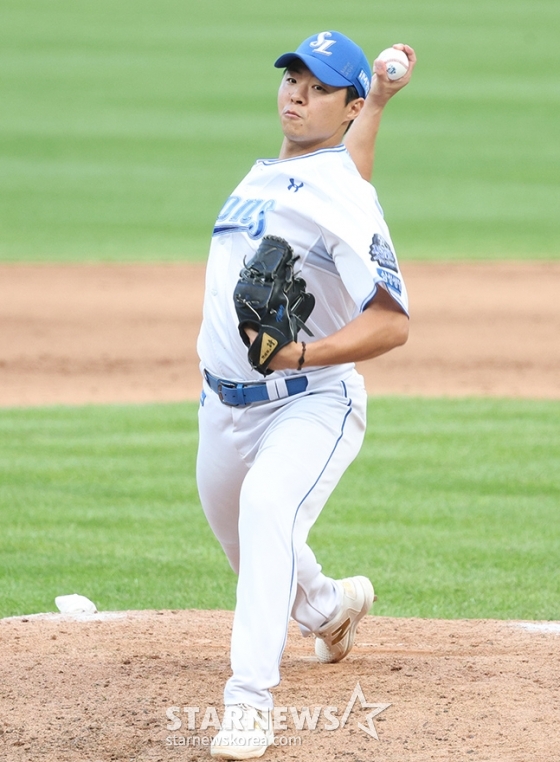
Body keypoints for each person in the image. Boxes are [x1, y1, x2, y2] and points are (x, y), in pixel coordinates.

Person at [195, 31, 416, 759]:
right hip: (222, 408)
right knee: (250, 542)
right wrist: (376, 102)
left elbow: (390, 323)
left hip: (310, 400)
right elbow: (348, 172)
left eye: (320, 87)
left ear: (343, 105)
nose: (297, 92)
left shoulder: (341, 191)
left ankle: (247, 704)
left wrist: (304, 352)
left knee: (267, 512)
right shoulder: (278, 172)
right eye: (293, 77)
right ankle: (329, 606)